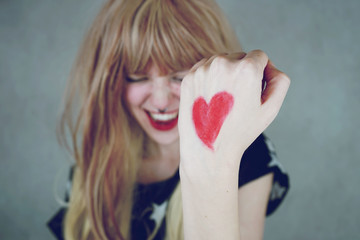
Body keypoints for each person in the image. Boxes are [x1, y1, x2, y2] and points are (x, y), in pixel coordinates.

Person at [48, 0, 290, 239]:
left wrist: (211, 160)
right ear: (112, 82)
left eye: (179, 76)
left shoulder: (249, 157)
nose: (161, 101)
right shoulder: (97, 162)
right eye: (138, 77)